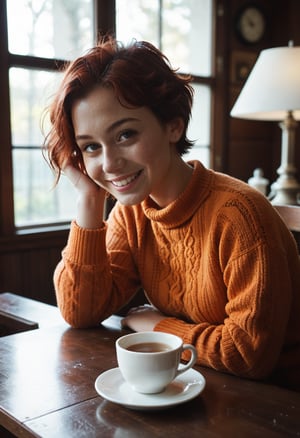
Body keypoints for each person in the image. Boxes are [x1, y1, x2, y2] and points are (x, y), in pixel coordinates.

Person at [44, 35, 300, 391]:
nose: (108, 163)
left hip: (275, 402)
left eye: (125, 135)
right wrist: (88, 198)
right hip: (195, 386)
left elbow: (248, 355)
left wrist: (156, 325)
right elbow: (79, 312)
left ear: (173, 125)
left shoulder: (239, 217)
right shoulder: (131, 213)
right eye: (90, 146)